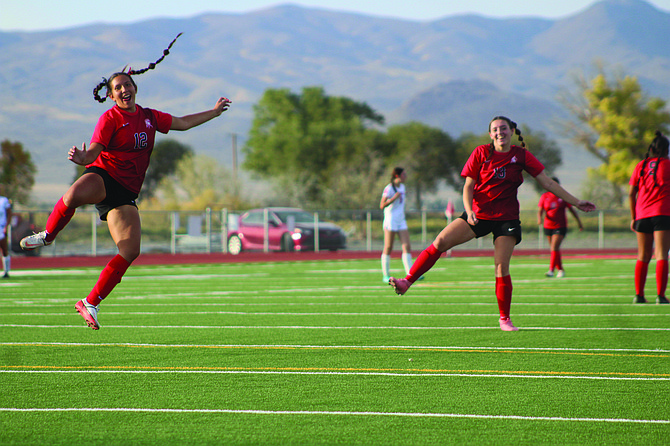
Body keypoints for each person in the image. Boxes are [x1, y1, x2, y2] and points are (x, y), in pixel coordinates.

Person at [20, 33, 232, 329]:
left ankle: (90, 303)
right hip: (104, 176)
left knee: (130, 251)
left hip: (126, 192)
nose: (124, 90)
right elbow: (94, 150)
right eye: (118, 87)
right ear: (111, 95)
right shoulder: (109, 119)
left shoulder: (149, 116)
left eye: (127, 85)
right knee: (73, 195)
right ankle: (49, 236)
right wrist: (83, 158)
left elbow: (183, 123)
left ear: (135, 88)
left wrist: (214, 112)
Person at [388, 116, 596, 331]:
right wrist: (469, 212)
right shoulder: (481, 152)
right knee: (440, 242)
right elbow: (468, 186)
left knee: (500, 266)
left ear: (511, 131)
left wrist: (577, 202)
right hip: (477, 215)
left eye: (503, 128)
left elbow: (548, 182)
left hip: (506, 219)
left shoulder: (521, 156)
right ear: (490, 134)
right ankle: (407, 281)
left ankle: (505, 319)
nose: (500, 132)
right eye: (495, 129)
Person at [628, 131, 670, 304]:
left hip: (642, 214)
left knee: (643, 255)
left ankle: (639, 295)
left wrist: (633, 217)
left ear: (651, 149)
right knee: (661, 254)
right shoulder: (668, 165)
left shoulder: (641, 165)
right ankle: (660, 296)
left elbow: (631, 193)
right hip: (662, 213)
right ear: (667, 149)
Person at [537, 177, 584, 278]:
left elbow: (572, 210)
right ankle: (561, 269)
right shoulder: (545, 196)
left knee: (554, 247)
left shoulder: (563, 197)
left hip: (560, 226)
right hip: (548, 226)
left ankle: (551, 270)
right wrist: (539, 219)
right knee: (554, 249)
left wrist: (579, 223)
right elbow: (540, 209)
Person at [380, 167, 417, 283]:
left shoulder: (403, 187)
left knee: (406, 246)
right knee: (388, 247)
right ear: (397, 176)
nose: (405, 177)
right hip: (391, 220)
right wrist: (392, 199)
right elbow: (382, 205)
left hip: (401, 220)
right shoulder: (389, 188)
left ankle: (410, 273)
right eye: (404, 175)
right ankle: (386, 275)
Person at [0, 187, 11, 278]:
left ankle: (6, 271)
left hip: (1, 228)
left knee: (4, 249)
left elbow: (9, 214)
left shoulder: (3, 200)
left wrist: (6, 226)